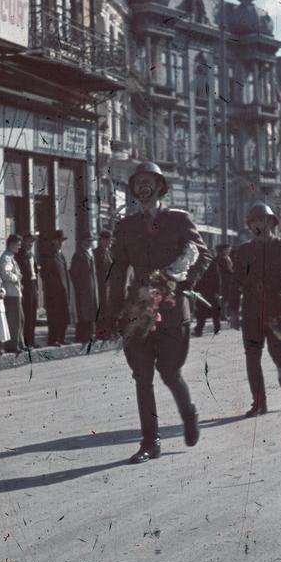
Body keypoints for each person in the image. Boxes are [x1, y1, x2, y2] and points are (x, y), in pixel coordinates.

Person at [108, 161, 210, 464]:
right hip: (138, 311)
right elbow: (117, 271)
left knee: (169, 372)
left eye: (148, 180)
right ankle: (150, 442)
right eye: (138, 182)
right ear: (133, 190)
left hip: (173, 310)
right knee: (142, 376)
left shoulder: (178, 220)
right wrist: (113, 313)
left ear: (159, 185)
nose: (143, 186)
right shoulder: (126, 226)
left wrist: (179, 286)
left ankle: (188, 413)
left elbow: (202, 255)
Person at [228, 202, 281, 416]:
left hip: (278, 310)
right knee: (252, 356)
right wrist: (233, 311)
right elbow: (235, 283)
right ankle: (259, 402)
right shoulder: (244, 251)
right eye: (254, 222)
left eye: (264, 221)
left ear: (271, 223)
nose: (259, 225)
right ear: (250, 226)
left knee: (279, 356)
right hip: (251, 311)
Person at [40, 230, 72, 347]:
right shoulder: (49, 255)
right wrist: (55, 288)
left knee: (63, 315)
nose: (60, 243)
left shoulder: (61, 255)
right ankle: (53, 339)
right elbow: (46, 274)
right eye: (58, 241)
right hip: (54, 293)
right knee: (54, 316)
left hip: (64, 292)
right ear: (53, 241)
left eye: (62, 241)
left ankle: (61, 337)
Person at [70, 231, 99, 344]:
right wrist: (80, 286)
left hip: (92, 287)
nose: (89, 243)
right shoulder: (79, 255)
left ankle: (90, 334)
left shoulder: (90, 254)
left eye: (90, 241)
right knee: (83, 313)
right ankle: (82, 336)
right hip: (83, 289)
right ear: (82, 242)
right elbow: (74, 273)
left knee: (91, 311)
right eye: (87, 241)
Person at [0, 234, 25, 353]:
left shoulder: (11, 257)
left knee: (20, 319)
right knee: (14, 320)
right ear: (10, 244)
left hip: (15, 293)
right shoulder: (7, 258)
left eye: (20, 244)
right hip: (11, 294)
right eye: (17, 244)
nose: (19, 246)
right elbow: (6, 274)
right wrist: (17, 277)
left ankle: (19, 343)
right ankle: (13, 345)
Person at [15, 231, 40, 348]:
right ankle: (26, 341)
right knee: (28, 314)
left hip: (33, 285)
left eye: (32, 242)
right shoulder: (19, 256)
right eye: (28, 242)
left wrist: (38, 288)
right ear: (23, 242)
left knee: (33, 314)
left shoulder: (31, 255)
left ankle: (32, 340)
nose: (30, 244)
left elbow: (35, 271)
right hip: (26, 286)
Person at [193, 252, 221, 337]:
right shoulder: (208, 264)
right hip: (204, 291)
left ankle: (201, 330)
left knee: (204, 312)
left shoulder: (211, 264)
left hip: (208, 291)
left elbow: (217, 278)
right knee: (205, 312)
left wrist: (217, 291)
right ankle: (201, 329)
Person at [94, 229, 113, 339]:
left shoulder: (109, 253)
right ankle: (100, 333)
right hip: (100, 284)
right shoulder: (96, 253)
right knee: (100, 309)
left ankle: (107, 332)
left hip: (109, 285)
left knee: (108, 309)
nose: (108, 243)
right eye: (106, 240)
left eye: (109, 241)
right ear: (101, 240)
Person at [215, 244, 233, 320]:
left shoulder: (221, 258)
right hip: (224, 280)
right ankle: (223, 314)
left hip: (224, 280)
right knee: (224, 298)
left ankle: (223, 314)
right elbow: (228, 270)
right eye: (228, 250)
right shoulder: (223, 259)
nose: (229, 251)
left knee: (223, 298)